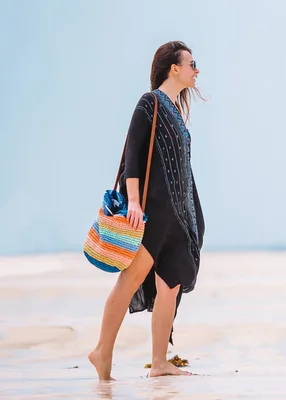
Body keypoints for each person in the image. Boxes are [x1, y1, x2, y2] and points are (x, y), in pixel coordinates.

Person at [88, 41, 206, 381]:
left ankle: (159, 362)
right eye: (191, 63)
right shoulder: (150, 103)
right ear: (174, 68)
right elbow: (134, 155)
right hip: (152, 214)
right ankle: (101, 352)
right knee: (130, 281)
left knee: (170, 284)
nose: (196, 69)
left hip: (177, 219)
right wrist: (135, 203)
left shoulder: (176, 111)